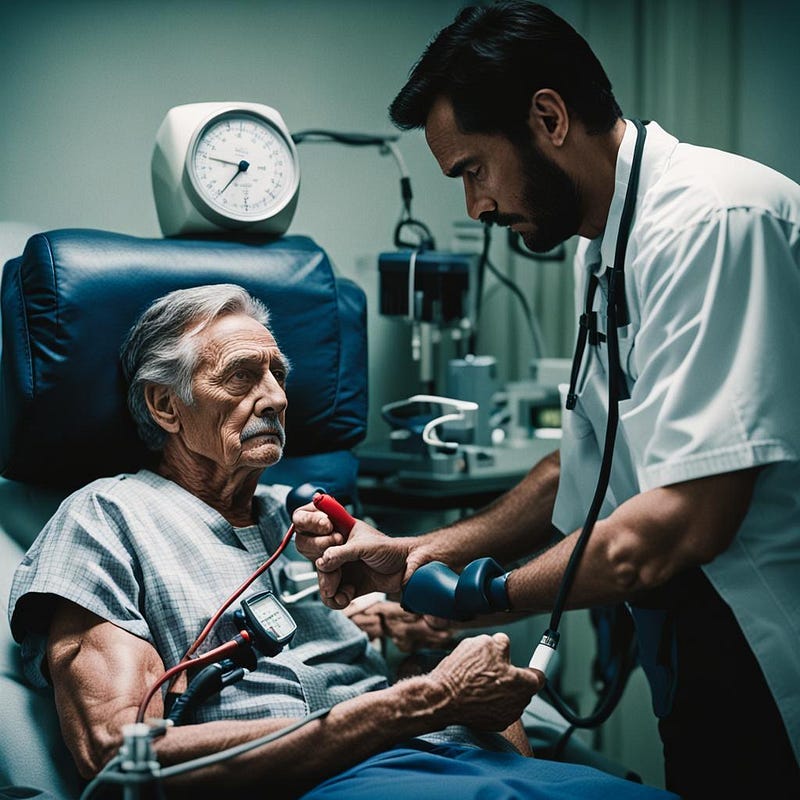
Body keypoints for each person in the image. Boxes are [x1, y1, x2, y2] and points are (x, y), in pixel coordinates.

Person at [292, 3, 800, 798]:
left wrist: (477, 598)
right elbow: (586, 462)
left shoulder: (712, 220)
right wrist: (427, 553)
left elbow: (683, 520)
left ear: (550, 117)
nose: (476, 209)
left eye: (473, 170)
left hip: (770, 625)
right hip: (694, 639)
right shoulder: (602, 249)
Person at [7, 284, 677, 800]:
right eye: (242, 376)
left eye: (278, 374)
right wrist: (427, 699)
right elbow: (120, 757)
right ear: (165, 406)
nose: (275, 397)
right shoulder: (105, 519)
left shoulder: (297, 522)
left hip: (454, 759)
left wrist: (406, 633)